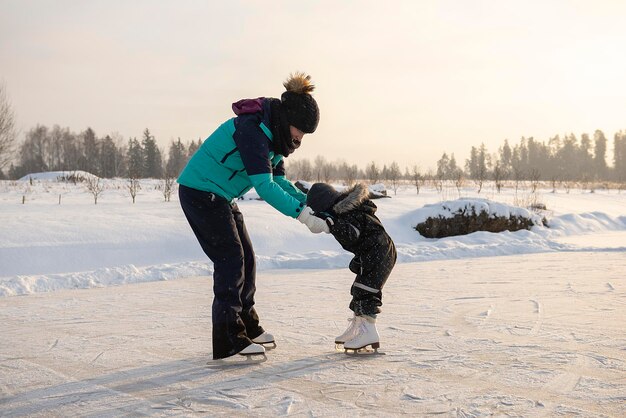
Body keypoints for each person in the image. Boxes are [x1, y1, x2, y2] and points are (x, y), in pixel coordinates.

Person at [177, 73, 329, 360]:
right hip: (200, 192)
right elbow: (264, 186)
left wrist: (310, 204)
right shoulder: (253, 131)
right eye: (300, 131)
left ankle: (247, 324)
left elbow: (281, 182)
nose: (300, 139)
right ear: (288, 120)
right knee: (231, 258)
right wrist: (304, 216)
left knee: (246, 256)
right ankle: (228, 338)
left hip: (221, 195)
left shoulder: (275, 138)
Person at [306, 182, 397, 351]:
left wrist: (331, 224)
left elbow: (351, 235)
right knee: (358, 290)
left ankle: (368, 331)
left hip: (378, 253)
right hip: (374, 252)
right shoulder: (348, 209)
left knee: (366, 291)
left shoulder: (347, 213)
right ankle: (358, 327)